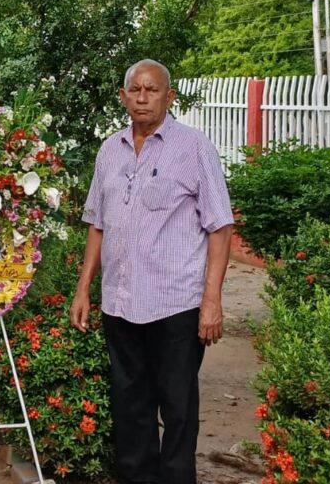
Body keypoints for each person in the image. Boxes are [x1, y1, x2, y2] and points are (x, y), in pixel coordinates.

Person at [69, 59, 233, 484]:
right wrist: (84, 288)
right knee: (130, 407)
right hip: (120, 304)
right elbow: (97, 223)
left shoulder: (194, 147)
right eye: (135, 90)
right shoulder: (110, 150)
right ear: (123, 97)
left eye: (152, 90)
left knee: (177, 410)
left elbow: (220, 227)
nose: (143, 98)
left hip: (175, 305)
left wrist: (211, 300)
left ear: (169, 96)